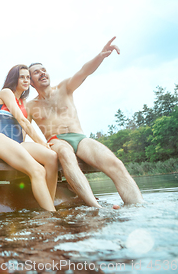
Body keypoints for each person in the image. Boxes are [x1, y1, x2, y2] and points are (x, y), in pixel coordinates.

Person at [27, 37, 144, 207]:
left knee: (115, 163)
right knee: (66, 155)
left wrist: (100, 56)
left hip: (80, 139)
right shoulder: (30, 106)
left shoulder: (64, 88)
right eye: (36, 72)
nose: (42, 73)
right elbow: (22, 128)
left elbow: (84, 72)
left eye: (44, 70)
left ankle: (139, 206)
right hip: (56, 141)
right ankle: (96, 208)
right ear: (30, 81)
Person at [0, 65, 58, 211]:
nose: (26, 80)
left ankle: (48, 204)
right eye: (22, 77)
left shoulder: (23, 102)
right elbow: (22, 120)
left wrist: (39, 146)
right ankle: (51, 215)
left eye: (28, 77)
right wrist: (41, 142)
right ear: (14, 78)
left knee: (52, 157)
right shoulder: (6, 92)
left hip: (18, 143)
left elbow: (24, 130)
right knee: (38, 170)